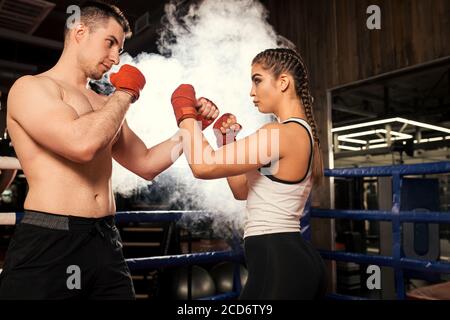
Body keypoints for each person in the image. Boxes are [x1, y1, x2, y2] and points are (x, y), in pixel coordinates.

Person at [0, 1, 218, 300]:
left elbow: (146, 163)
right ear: (79, 32)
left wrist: (190, 128)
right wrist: (125, 93)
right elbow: (81, 145)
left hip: (105, 241)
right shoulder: (31, 89)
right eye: (110, 43)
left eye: (120, 47)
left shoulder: (105, 105)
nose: (116, 58)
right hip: (51, 241)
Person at [170, 48, 327, 299]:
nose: (251, 92)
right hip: (290, 258)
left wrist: (185, 113)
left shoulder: (279, 133)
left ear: (283, 82)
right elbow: (242, 191)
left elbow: (202, 165)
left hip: (278, 260)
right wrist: (227, 141)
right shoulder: (300, 133)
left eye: (257, 80)